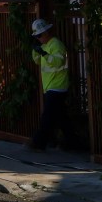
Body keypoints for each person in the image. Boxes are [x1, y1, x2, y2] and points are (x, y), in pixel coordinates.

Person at [28, 18, 70, 150]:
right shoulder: (45, 46)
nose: (39, 38)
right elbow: (37, 61)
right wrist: (36, 50)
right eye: (36, 36)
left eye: (40, 35)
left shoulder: (56, 44)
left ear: (46, 32)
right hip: (51, 87)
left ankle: (38, 144)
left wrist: (44, 54)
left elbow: (58, 62)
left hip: (58, 86)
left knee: (47, 117)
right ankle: (72, 142)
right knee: (60, 118)